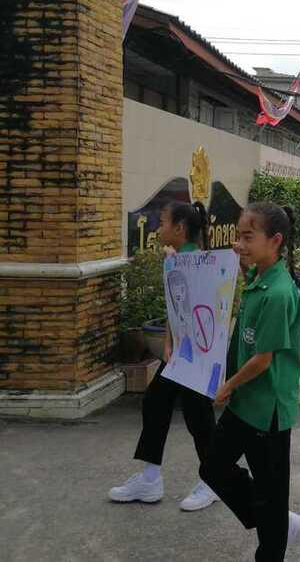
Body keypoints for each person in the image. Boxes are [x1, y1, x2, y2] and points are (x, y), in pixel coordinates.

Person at [199, 203, 300, 560]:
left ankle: (274, 530)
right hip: (245, 401)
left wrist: (227, 385)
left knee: (270, 490)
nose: (239, 244)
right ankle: (277, 520)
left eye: (247, 237)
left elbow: (263, 360)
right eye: (237, 237)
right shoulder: (259, 280)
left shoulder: (278, 293)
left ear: (274, 241)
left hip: (268, 408)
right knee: (213, 467)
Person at [109, 201, 219, 512]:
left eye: (163, 222)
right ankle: (150, 478)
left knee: (198, 417)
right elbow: (176, 309)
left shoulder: (197, 264)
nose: (159, 228)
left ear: (179, 228)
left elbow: (203, 315)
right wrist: (169, 343)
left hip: (195, 357)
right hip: (179, 354)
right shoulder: (178, 261)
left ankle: (213, 481)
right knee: (156, 403)